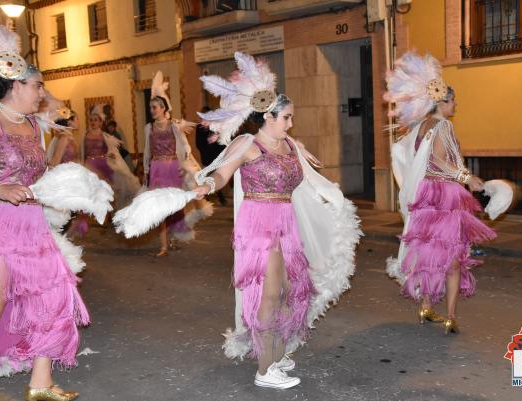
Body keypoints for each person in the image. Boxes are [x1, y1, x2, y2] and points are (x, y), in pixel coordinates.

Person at [193, 52, 361, 389]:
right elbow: (224, 173)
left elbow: (299, 173)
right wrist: (209, 184)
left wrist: (299, 150)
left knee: (286, 291)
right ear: (268, 116)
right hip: (259, 225)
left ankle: (277, 354)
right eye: (286, 117)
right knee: (269, 295)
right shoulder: (248, 144)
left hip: (286, 223)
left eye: (291, 118)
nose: (291, 123)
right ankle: (264, 369)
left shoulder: (286, 144)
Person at [0, 16, 88, 401]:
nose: (43, 92)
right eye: (37, 84)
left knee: (52, 294)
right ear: (15, 85)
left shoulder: (32, 125)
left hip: (32, 222)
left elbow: (36, 174)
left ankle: (41, 383)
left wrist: (67, 188)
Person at [384, 52, 496, 334]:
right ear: (442, 101)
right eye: (453, 100)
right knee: (453, 259)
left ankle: (424, 307)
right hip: (444, 196)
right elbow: (440, 160)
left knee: (429, 254)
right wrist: (466, 177)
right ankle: (450, 316)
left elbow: (413, 160)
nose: (455, 105)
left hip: (425, 196)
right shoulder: (444, 126)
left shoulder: (420, 126)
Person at [143, 71, 212, 256]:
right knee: (160, 210)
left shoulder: (174, 125)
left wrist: (185, 165)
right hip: (157, 170)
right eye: (151, 108)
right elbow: (147, 152)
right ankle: (163, 246)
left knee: (174, 208)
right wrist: (145, 171)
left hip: (173, 169)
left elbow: (185, 146)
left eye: (155, 107)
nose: (152, 110)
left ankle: (172, 239)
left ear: (164, 108)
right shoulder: (148, 128)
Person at [195, 106, 227, 205]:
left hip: (217, 155)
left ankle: (218, 195)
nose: (203, 120)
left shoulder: (217, 126)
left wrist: (221, 153)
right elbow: (199, 143)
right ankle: (213, 196)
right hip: (206, 155)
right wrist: (206, 148)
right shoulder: (199, 128)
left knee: (218, 175)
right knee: (210, 176)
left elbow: (222, 142)